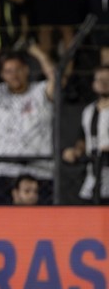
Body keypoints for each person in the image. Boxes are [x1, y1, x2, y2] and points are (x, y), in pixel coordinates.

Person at [0, 46, 56, 205]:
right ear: (2, 75)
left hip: (40, 170)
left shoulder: (40, 91)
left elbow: (58, 82)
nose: (14, 75)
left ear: (26, 70)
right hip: (1, 170)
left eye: (18, 70)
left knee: (42, 220)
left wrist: (39, 54)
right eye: (8, 71)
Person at [62, 65, 109, 203]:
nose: (103, 83)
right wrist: (77, 151)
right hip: (93, 173)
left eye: (107, 79)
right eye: (99, 79)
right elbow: (83, 137)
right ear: (93, 84)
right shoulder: (89, 111)